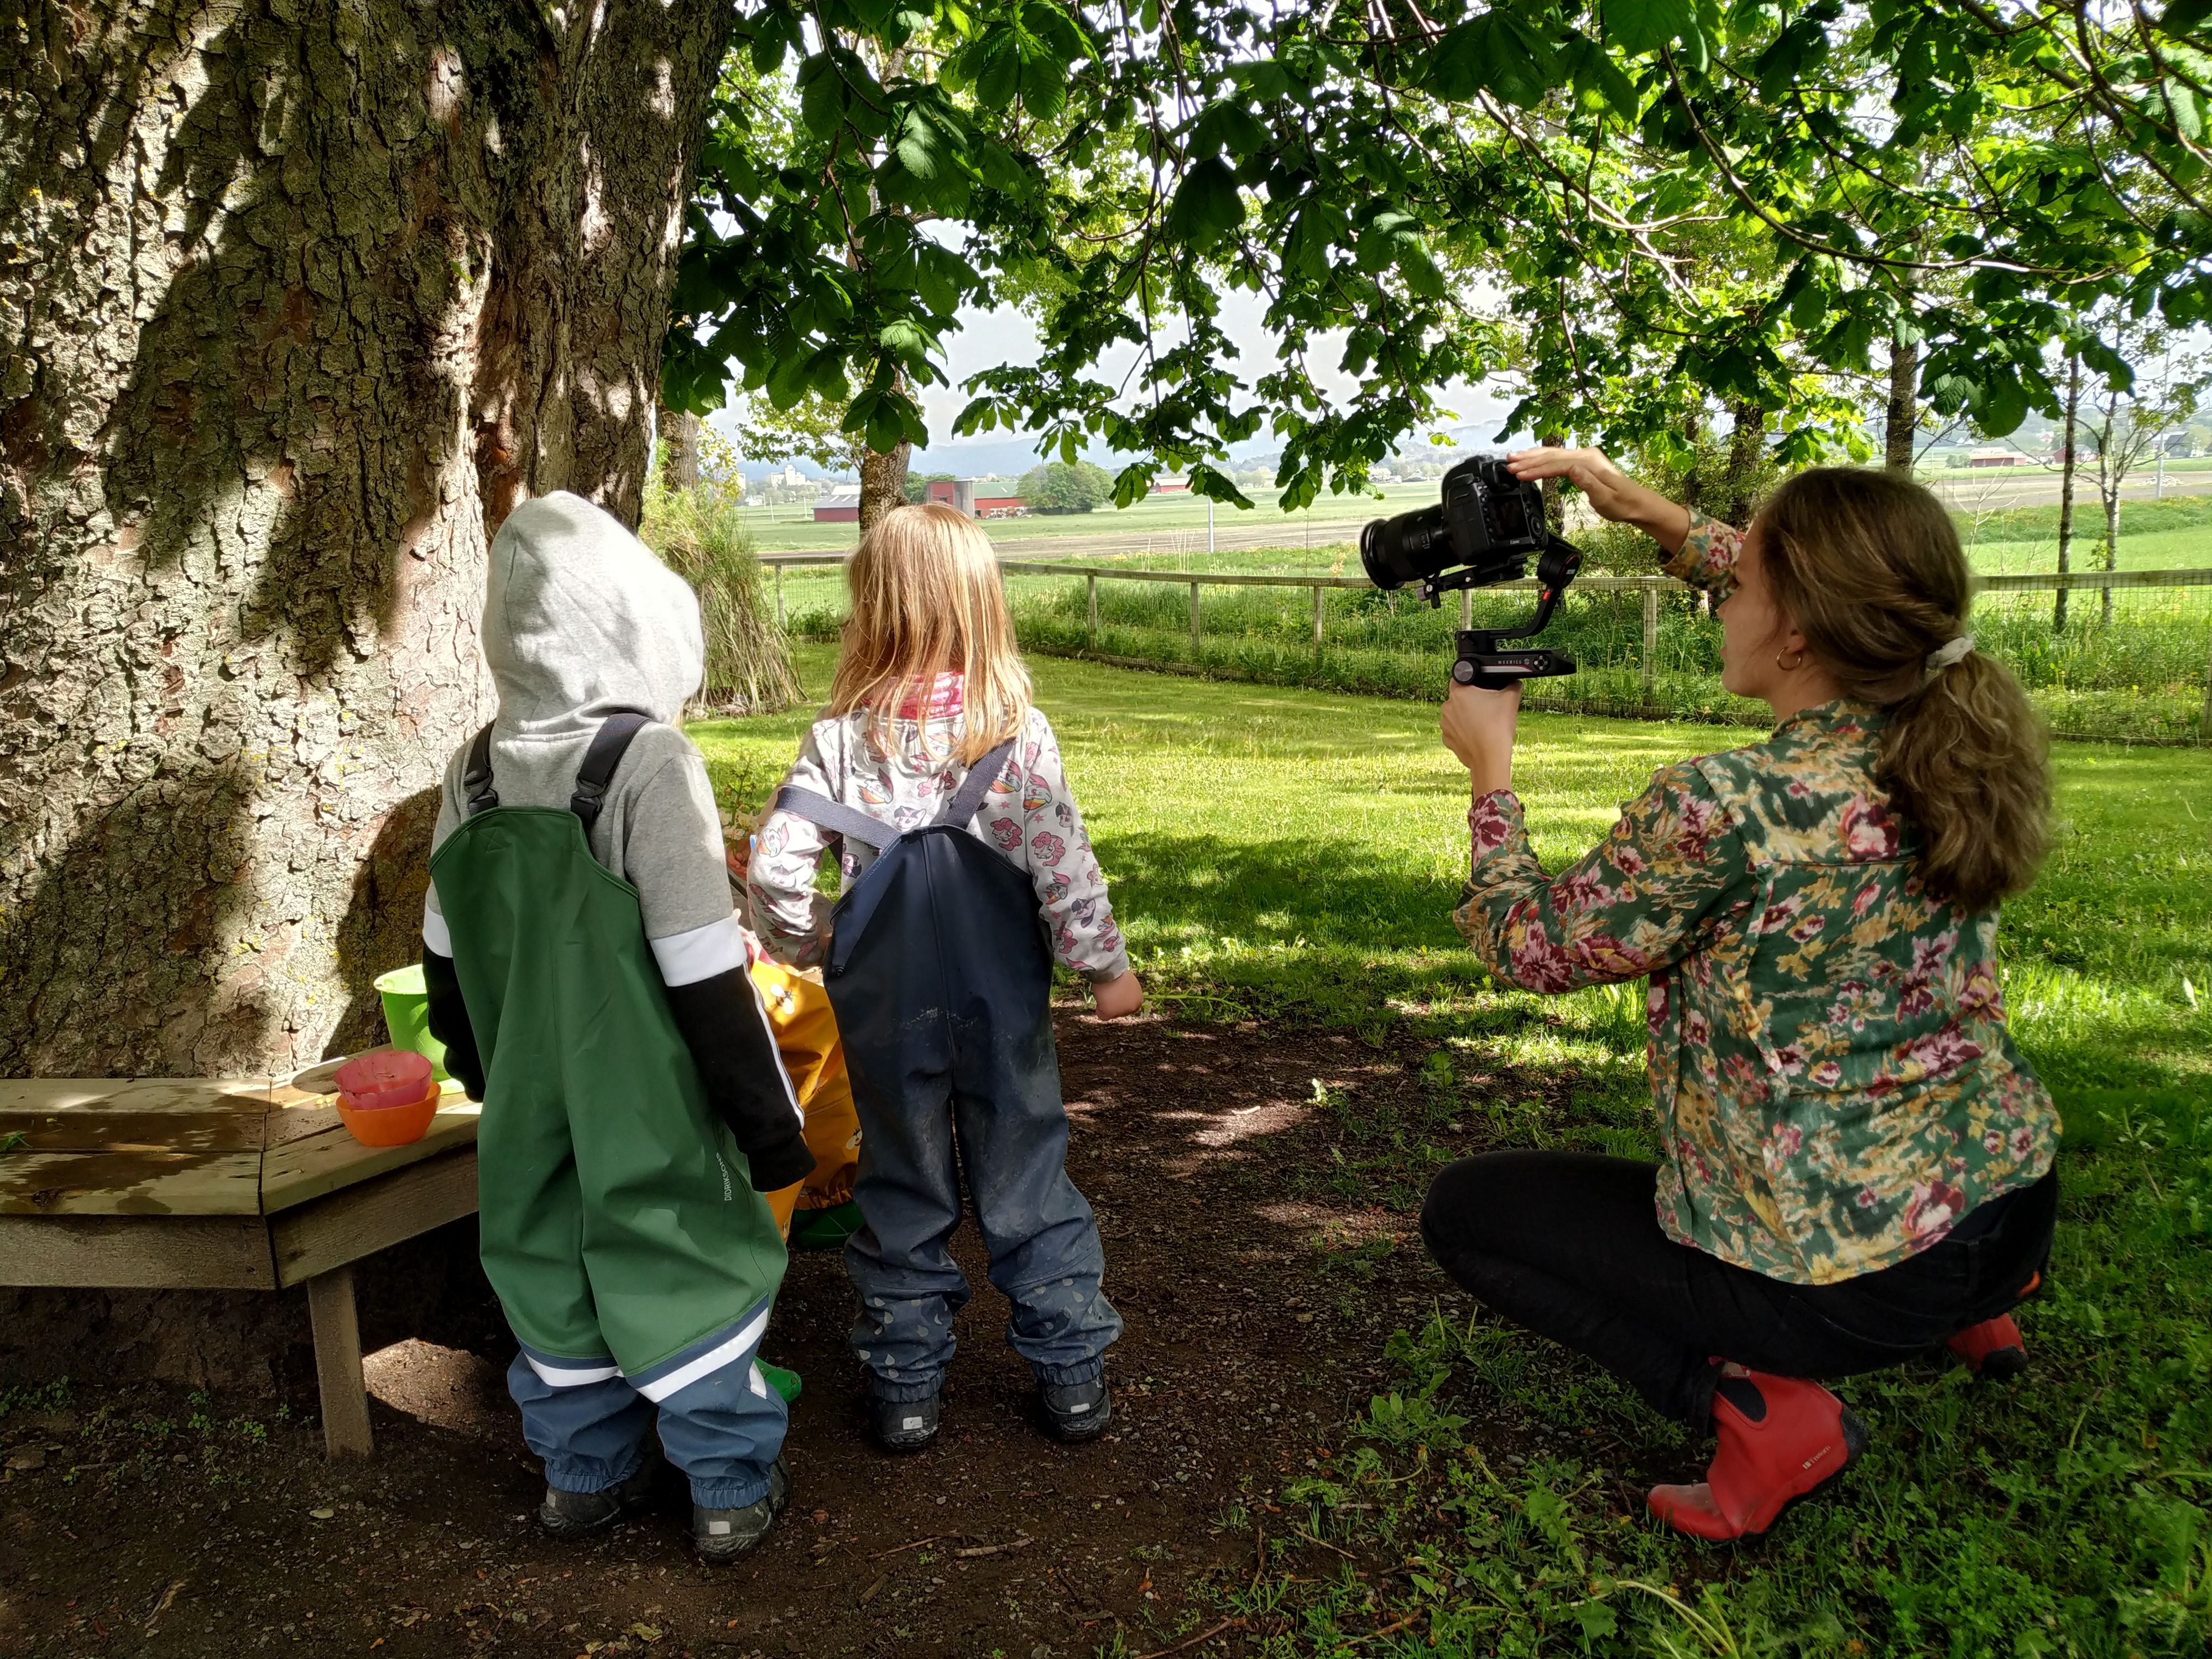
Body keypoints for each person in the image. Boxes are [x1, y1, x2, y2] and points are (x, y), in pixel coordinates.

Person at [1419, 455, 2060, 1541]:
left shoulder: (1727, 806)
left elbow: (1528, 946)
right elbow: (1840, 601)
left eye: (1742, 583)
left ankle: (1760, 1412)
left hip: (1856, 1280)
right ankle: (1979, 1316)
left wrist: (1489, 774)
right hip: (2009, 1207)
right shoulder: (1942, 726)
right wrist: (1653, 517)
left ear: (1799, 631)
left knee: (1466, 1216)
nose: (1723, 601)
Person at [420, 492, 813, 1561]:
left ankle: (581, 1479)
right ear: (635, 621)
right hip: (648, 1097)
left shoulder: (474, 769)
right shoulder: (647, 765)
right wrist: (770, 1124)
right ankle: (727, 1485)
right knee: (684, 1264)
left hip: (527, 1094)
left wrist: (475, 1063)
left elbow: (442, 952)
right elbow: (703, 970)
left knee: (549, 1261)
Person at [747, 503, 1142, 1453]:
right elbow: (1064, 864)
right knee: (1027, 1176)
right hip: (1001, 1009)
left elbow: (772, 868)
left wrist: (804, 945)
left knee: (903, 1183)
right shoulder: (1016, 734)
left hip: (888, 1015)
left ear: (870, 608)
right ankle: (1071, 1376)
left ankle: (908, 1386)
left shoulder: (840, 740)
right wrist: (1104, 969)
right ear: (983, 607)